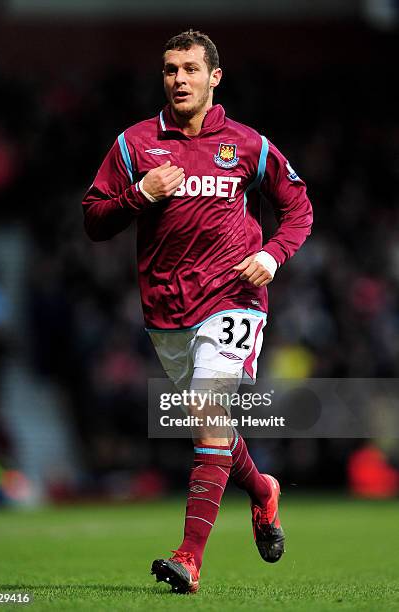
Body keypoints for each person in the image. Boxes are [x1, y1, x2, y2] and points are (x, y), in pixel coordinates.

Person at [82, 29, 313, 594]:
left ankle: (189, 559)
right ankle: (262, 491)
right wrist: (141, 193)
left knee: (209, 415)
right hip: (166, 310)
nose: (178, 79)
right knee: (212, 429)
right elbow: (93, 218)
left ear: (215, 77)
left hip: (234, 298)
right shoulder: (136, 144)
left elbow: (299, 206)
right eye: (169, 70)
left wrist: (271, 255)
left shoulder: (248, 145)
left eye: (189, 69)